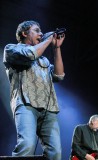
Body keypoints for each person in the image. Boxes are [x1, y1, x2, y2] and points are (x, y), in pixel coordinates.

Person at [3, 20, 65, 160]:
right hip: (26, 103)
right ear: (24, 33)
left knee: (55, 152)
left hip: (49, 108)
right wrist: (49, 39)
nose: (41, 33)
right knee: (27, 145)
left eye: (41, 31)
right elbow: (30, 54)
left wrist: (56, 48)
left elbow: (59, 76)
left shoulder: (43, 59)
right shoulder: (11, 49)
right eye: (37, 30)